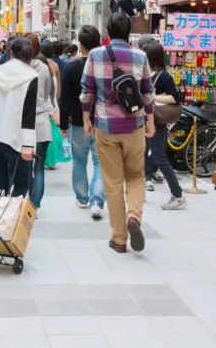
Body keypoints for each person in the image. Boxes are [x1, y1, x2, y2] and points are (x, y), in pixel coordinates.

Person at [81, 13, 155, 254]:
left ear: (108, 32)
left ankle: (119, 238)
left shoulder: (95, 55)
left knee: (112, 183)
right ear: (129, 32)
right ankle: (133, 216)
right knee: (136, 176)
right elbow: (147, 94)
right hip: (134, 125)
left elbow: (87, 92)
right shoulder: (140, 56)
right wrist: (150, 122)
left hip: (105, 126)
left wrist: (86, 120)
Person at [0, 37, 39, 197]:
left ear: (11, 52)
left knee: (0, 186)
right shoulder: (31, 76)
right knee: (22, 186)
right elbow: (28, 113)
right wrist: (28, 144)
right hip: (17, 139)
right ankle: (12, 221)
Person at [61, 25, 104, 220]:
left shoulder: (71, 65)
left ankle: (82, 197)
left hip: (78, 121)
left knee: (79, 161)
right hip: (102, 121)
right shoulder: (104, 64)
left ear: (80, 45)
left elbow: (66, 99)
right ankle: (97, 201)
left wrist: (63, 124)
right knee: (100, 162)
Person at [142, 41, 188, 210]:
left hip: (157, 121)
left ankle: (178, 195)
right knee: (145, 154)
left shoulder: (164, 76)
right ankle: (141, 190)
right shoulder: (149, 74)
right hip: (147, 120)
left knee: (159, 156)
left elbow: (175, 98)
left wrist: (153, 98)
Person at [27, 33, 59, 209]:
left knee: (23, 165)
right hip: (41, 121)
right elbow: (48, 94)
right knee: (38, 167)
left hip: (22, 123)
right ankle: (34, 206)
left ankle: (24, 200)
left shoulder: (16, 67)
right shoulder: (44, 68)